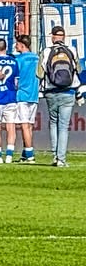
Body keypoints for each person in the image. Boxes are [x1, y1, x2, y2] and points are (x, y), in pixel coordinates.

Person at [40, 24, 77, 167]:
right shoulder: (71, 50)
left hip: (51, 92)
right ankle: (61, 159)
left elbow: (39, 73)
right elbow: (78, 69)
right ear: (64, 37)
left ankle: (55, 156)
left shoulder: (47, 51)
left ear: (52, 37)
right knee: (63, 126)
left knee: (54, 124)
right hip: (68, 92)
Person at [13, 34, 39, 164]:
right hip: (34, 95)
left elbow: (15, 80)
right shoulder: (36, 58)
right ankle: (25, 153)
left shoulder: (18, 60)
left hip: (22, 95)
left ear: (22, 45)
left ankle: (30, 154)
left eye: (17, 44)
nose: (15, 46)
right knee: (29, 126)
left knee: (24, 125)